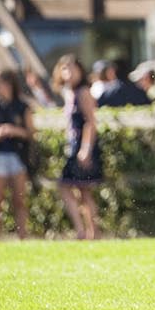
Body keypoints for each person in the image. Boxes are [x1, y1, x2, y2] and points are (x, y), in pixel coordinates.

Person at [0, 69, 36, 241]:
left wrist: (14, 131)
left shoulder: (22, 107)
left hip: (17, 156)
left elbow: (31, 133)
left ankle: (22, 237)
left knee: (20, 201)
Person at [53, 54, 102, 240]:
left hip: (83, 146)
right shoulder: (69, 92)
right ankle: (85, 231)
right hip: (74, 146)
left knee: (81, 190)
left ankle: (90, 232)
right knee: (79, 190)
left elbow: (91, 122)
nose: (69, 73)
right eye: (65, 69)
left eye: (72, 68)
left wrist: (86, 149)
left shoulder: (83, 92)